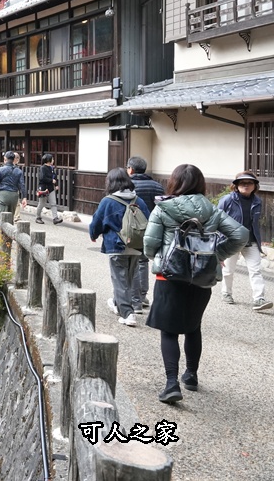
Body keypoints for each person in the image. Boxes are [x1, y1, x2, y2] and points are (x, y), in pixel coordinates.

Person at [143, 164, 249, 404]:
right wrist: (215, 254)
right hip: (202, 277)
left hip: (169, 276)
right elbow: (241, 235)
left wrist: (159, 257)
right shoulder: (212, 210)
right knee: (193, 326)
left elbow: (149, 244)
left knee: (169, 331)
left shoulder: (163, 208)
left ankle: (171, 384)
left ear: (174, 182)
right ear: (200, 184)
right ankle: (191, 376)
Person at [90, 168, 150, 327]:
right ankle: (118, 303)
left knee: (119, 280)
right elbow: (148, 221)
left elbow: (97, 221)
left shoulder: (108, 201)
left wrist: (93, 234)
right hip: (136, 246)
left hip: (116, 245)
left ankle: (127, 313)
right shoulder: (138, 200)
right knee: (128, 279)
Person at [218, 171, 273, 311]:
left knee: (255, 270)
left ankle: (259, 299)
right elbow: (217, 220)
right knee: (228, 270)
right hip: (231, 241)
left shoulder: (257, 201)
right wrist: (218, 241)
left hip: (251, 240)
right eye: (242, 183)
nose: (246, 185)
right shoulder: (227, 200)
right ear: (236, 185)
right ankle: (226, 293)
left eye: (249, 183)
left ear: (255, 186)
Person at [127, 156, 165, 313]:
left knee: (131, 263)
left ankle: (134, 299)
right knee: (143, 262)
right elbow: (162, 209)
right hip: (151, 229)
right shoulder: (157, 186)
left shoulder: (127, 186)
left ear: (131, 169)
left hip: (131, 230)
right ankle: (142, 296)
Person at [0, 151, 27, 218]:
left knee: (1, 217)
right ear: (14, 159)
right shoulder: (19, 171)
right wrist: (24, 197)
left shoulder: (0, 170)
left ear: (5, 159)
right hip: (14, 195)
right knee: (11, 217)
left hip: (3, 194)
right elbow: (22, 185)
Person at [35, 154, 62, 225]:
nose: (53, 160)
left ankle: (55, 218)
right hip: (43, 188)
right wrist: (51, 180)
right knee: (41, 203)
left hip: (51, 188)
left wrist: (56, 184)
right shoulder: (42, 168)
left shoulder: (51, 168)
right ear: (48, 160)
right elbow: (42, 178)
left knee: (53, 203)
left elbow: (54, 177)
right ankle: (38, 217)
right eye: (52, 159)